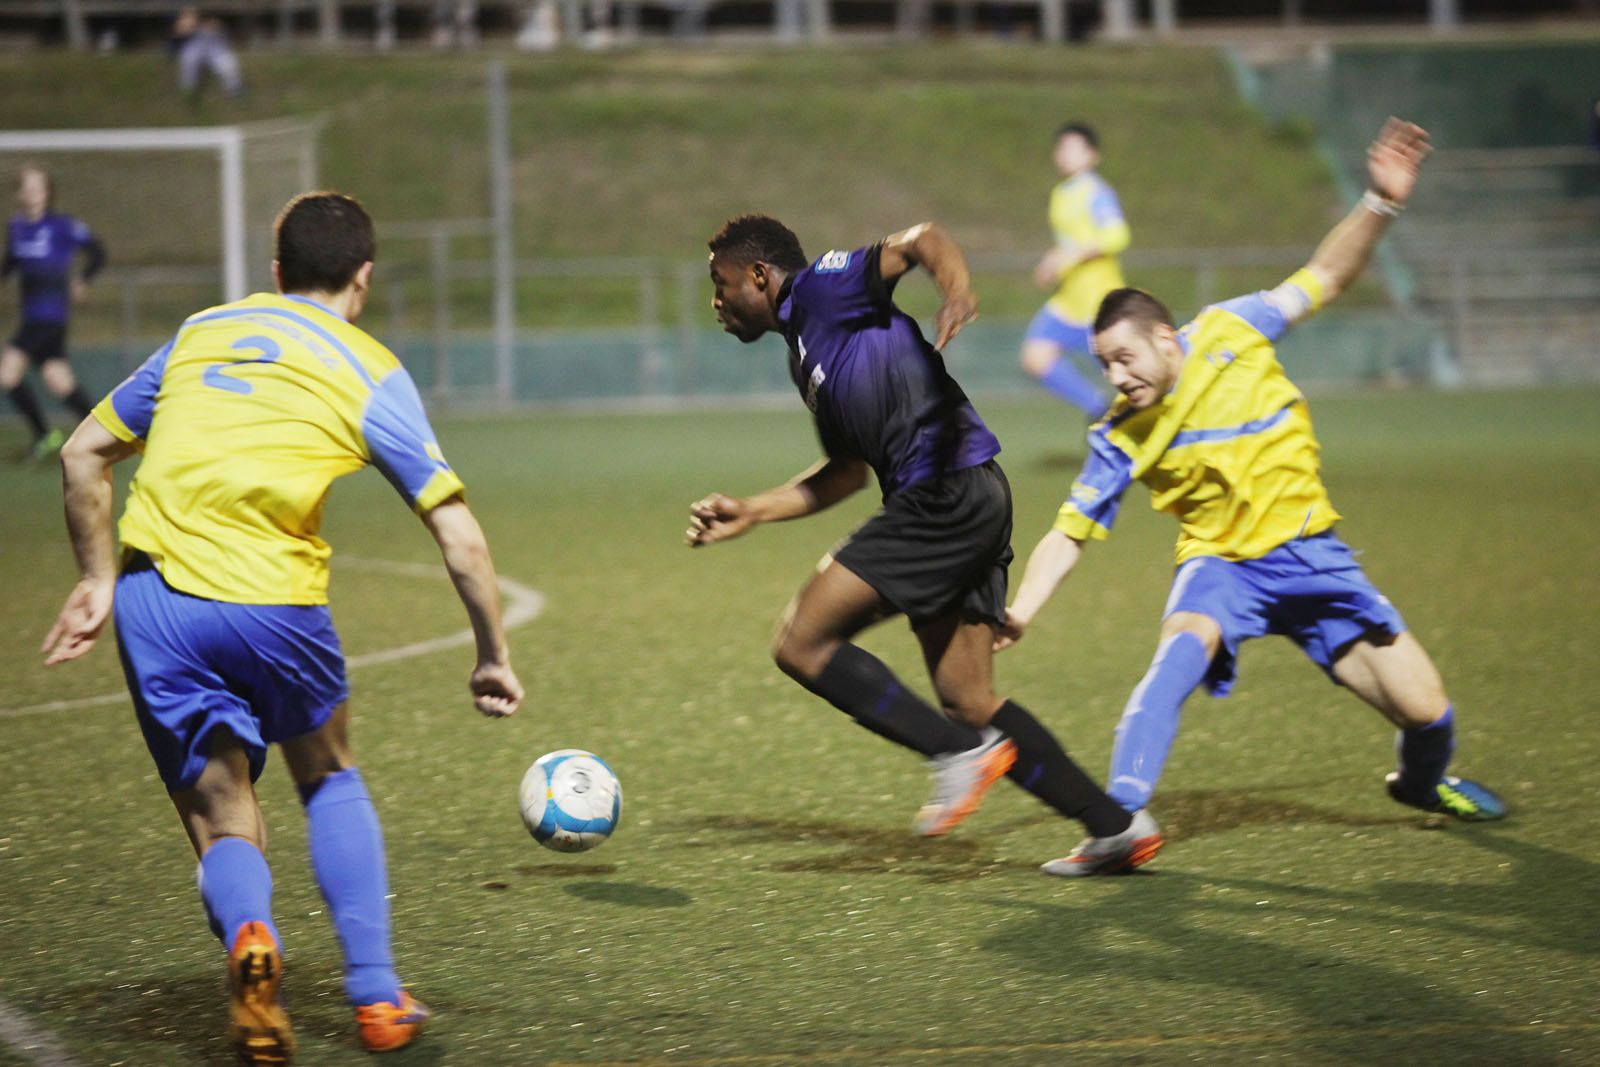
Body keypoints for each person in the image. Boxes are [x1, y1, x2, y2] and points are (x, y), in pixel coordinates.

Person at [41, 192, 525, 1064]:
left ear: (275, 273)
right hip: (276, 604)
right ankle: (377, 997)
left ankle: (253, 940)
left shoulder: (201, 332)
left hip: (158, 604)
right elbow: (458, 532)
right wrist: (492, 654)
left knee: (224, 817)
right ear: (364, 277)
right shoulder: (367, 365)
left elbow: (82, 452)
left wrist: (95, 578)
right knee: (329, 775)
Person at [999, 119, 1507, 834]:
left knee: (1427, 712)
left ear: (1165, 338)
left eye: (1123, 358)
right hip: (1223, 568)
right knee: (1177, 657)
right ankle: (1118, 821)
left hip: (1314, 556)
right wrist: (1021, 608)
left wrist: (1380, 202)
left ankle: (1422, 786)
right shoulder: (1119, 432)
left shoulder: (1235, 328)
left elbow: (1326, 276)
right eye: (1103, 363)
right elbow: (1068, 531)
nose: (1116, 376)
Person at [688, 214, 1161, 878]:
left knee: (801, 641)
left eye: (721, 283)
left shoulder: (822, 290)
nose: (716, 302)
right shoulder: (805, 351)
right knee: (970, 699)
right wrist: (754, 510)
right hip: (970, 495)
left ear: (759, 275)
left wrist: (957, 286)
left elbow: (921, 241)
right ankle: (1116, 827)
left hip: (942, 494)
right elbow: (848, 472)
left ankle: (953, 754)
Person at [1019, 122, 1128, 421]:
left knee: (1127, 379)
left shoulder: (1097, 192)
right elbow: (1069, 243)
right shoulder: (1061, 194)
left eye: (1074, 147)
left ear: (1093, 155)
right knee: (1034, 357)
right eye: (1061, 147)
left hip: (1099, 304)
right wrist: (1054, 261)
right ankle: (1098, 409)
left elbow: (1117, 235)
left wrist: (1072, 255)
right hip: (1068, 303)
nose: (1065, 154)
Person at [2, 165, 104, 461]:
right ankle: (102, 434)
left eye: (39, 188)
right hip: (32, 317)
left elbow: (98, 251)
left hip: (50, 318)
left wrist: (83, 279)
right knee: (59, 379)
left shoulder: (62, 226)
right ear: (20, 193)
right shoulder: (17, 227)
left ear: (48, 193)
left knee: (7, 373)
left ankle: (43, 435)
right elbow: (9, 264)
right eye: (28, 188)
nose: (34, 194)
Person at [170, 7, 244, 100]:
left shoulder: (219, 8)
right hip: (195, 43)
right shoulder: (189, 9)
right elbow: (178, 31)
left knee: (228, 64)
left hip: (216, 44)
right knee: (188, 60)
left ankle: (234, 90)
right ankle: (188, 90)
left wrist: (215, 26)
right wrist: (189, 25)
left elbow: (223, 27)